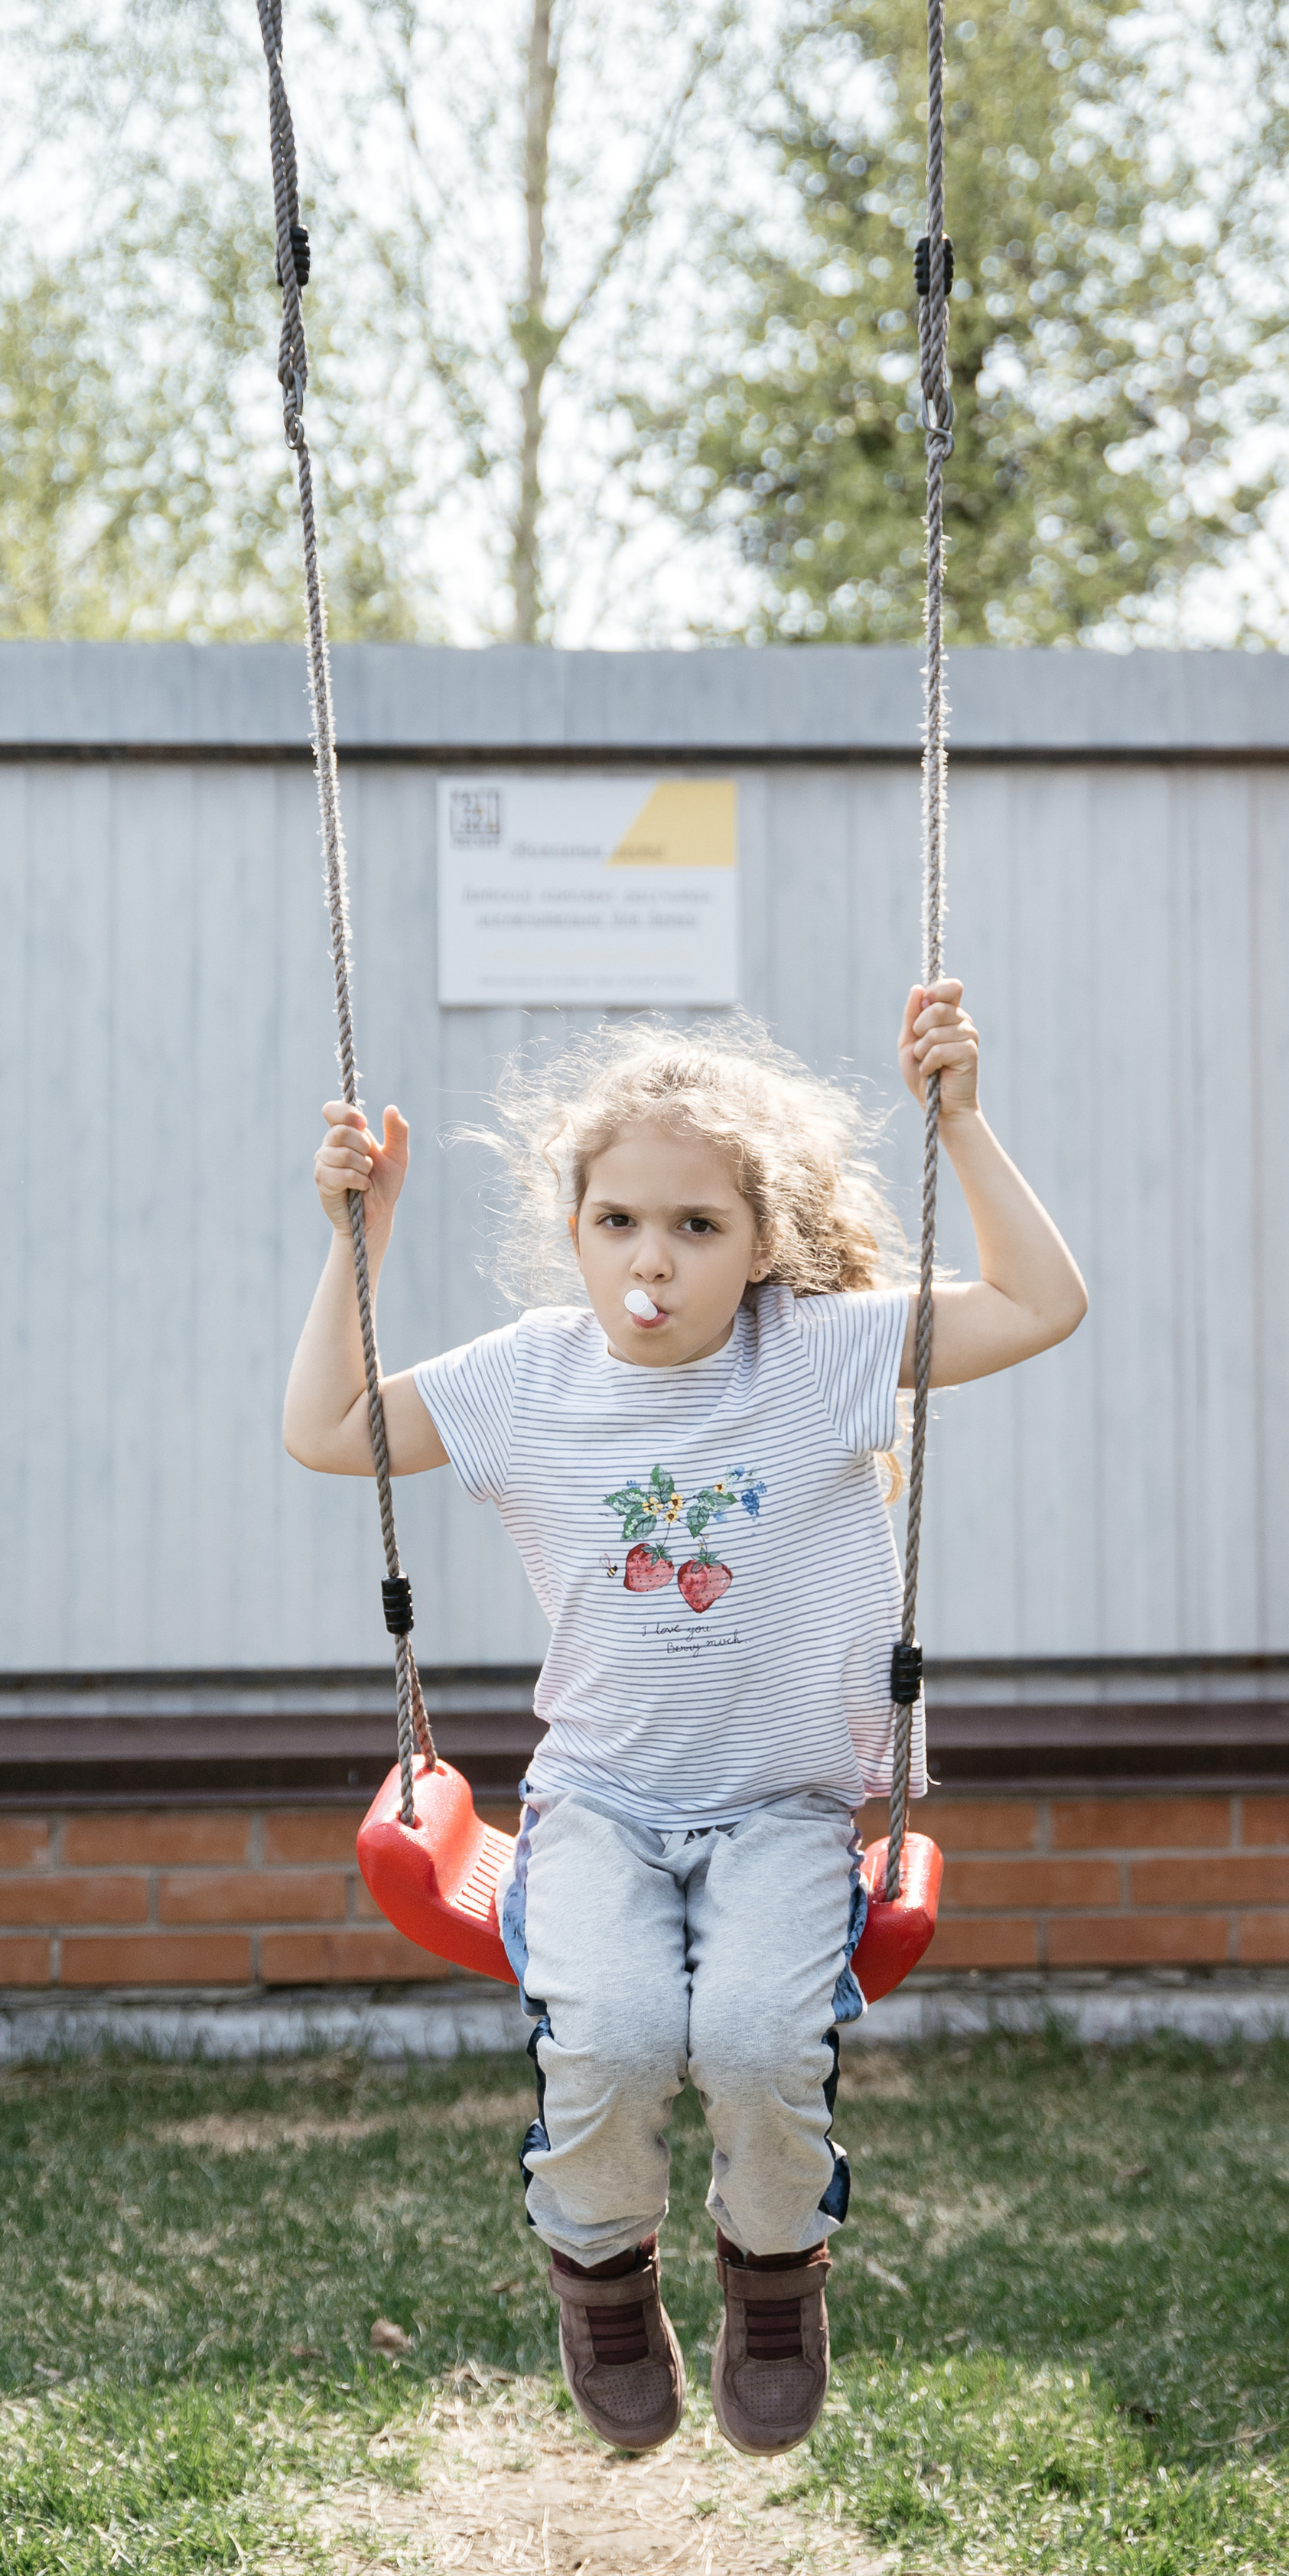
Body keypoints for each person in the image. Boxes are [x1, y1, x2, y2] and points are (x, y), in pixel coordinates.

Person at [284, 981, 1086, 2457]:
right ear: (576, 1230)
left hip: (786, 1805)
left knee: (762, 2043)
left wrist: (960, 1125)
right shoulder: (527, 1377)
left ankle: (775, 2275)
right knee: (616, 2033)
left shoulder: (821, 1352)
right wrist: (361, 1243)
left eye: (698, 1227)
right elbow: (329, 1433)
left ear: (762, 1243)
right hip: (596, 1803)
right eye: (619, 1224)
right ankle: (599, 2274)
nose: (654, 1260)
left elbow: (1044, 1304)